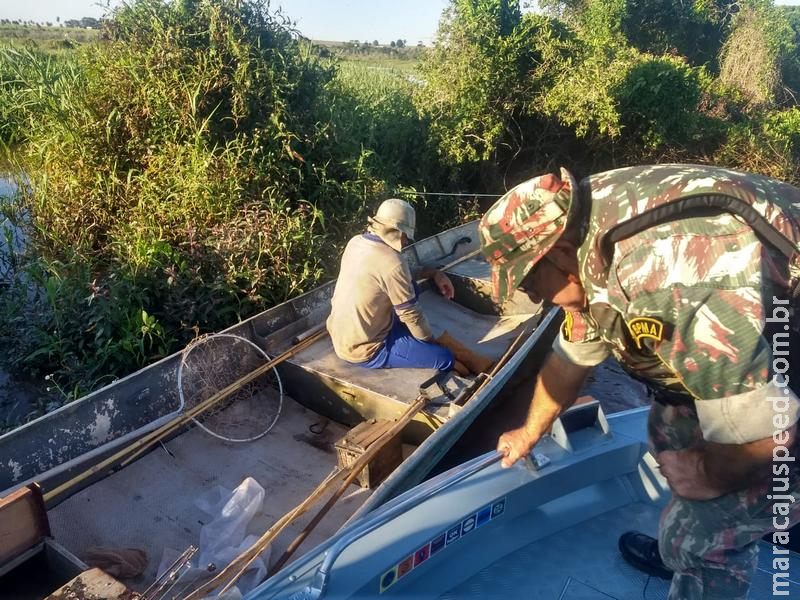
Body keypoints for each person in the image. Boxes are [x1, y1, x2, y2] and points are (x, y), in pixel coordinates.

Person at [478, 164, 800, 599]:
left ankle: (699, 557)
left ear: (558, 255)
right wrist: (529, 431)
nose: (533, 297)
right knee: (667, 437)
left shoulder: (667, 274)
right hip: (739, 362)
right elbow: (573, 352)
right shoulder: (584, 236)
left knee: (701, 536)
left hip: (779, 388)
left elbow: (766, 433)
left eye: (531, 282)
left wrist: (706, 473)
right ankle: (680, 552)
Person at [326, 198, 462, 372]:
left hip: (340, 335)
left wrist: (434, 273)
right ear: (398, 232)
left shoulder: (356, 242)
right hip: (365, 349)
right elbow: (411, 315)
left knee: (410, 287)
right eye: (406, 235)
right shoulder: (392, 263)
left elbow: (396, 274)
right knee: (444, 358)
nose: (406, 241)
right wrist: (432, 344)